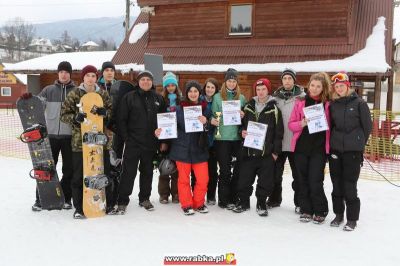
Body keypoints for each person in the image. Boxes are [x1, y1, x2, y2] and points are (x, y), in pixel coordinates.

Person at [21, 61, 76, 211]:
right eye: (61, 72)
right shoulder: (48, 90)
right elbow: (37, 105)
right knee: (45, 168)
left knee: (69, 170)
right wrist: (28, 99)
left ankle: (66, 198)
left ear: (70, 74)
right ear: (58, 74)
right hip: (50, 136)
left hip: (69, 136)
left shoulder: (76, 91)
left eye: (66, 72)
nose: (64, 74)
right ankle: (41, 199)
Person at [60, 65, 112, 219]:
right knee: (79, 176)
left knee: (102, 173)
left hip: (100, 142)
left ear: (97, 78)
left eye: (93, 76)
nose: (90, 79)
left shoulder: (102, 93)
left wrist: (105, 113)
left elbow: (111, 112)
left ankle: (104, 203)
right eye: (87, 75)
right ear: (83, 78)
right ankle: (79, 207)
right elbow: (63, 114)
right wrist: (75, 118)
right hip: (79, 142)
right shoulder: (75, 93)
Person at [116, 70, 166, 214]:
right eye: (143, 79)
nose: (146, 82)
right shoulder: (129, 97)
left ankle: (144, 198)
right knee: (128, 173)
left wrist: (161, 136)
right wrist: (126, 138)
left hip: (150, 143)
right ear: (138, 82)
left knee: (147, 172)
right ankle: (123, 200)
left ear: (152, 82)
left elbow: (164, 120)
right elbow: (122, 120)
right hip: (133, 143)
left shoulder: (158, 98)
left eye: (148, 80)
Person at [157, 80, 210, 215]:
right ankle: (186, 204)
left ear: (199, 93)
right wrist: (160, 132)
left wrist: (206, 122)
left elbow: (211, 129)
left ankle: (198, 203)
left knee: (203, 179)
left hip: (199, 150)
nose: (193, 94)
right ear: (186, 93)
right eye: (190, 91)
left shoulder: (205, 109)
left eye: (196, 91)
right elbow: (170, 126)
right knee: (183, 180)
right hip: (182, 149)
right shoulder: (178, 109)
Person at [233, 78, 283, 216]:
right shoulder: (248, 106)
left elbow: (279, 132)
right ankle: (243, 202)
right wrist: (241, 132)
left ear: (268, 90)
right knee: (244, 178)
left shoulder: (274, 109)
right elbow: (241, 125)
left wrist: (275, 152)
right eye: (258, 89)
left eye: (263, 89)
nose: (260, 92)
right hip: (249, 151)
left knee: (265, 180)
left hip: (266, 153)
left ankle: (261, 202)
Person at [328, 72, 372, 231]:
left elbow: (367, 127)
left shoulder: (359, 103)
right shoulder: (333, 104)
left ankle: (352, 219)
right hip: (335, 150)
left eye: (341, 86)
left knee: (349, 184)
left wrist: (359, 143)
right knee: (336, 183)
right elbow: (331, 125)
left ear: (347, 86)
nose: (339, 89)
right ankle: (338, 214)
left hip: (352, 151)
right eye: (336, 86)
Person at [288, 72, 331, 224]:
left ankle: (320, 210)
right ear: (309, 85)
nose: (314, 89)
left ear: (323, 88)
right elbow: (291, 124)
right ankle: (306, 209)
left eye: (318, 86)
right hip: (301, 148)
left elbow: (332, 126)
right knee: (302, 180)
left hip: (318, 149)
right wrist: (302, 123)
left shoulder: (328, 104)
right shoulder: (300, 102)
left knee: (315, 180)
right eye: (312, 85)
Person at [269, 68, 305, 212]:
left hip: (296, 142)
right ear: (282, 81)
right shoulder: (275, 98)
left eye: (290, 78)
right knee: (275, 174)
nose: (287, 81)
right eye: (285, 78)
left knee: (298, 175)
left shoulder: (302, 97)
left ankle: (300, 202)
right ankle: (274, 199)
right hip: (279, 142)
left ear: (294, 80)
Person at [211, 68, 246, 210]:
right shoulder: (218, 97)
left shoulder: (241, 98)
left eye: (234, 81)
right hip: (222, 139)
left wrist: (243, 115)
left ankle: (234, 197)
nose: (231, 83)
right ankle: (223, 199)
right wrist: (215, 119)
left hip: (236, 139)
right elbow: (214, 115)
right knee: (225, 170)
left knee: (238, 170)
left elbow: (246, 118)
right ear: (225, 82)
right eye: (229, 81)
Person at [158, 72, 182, 204]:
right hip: (166, 137)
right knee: (165, 166)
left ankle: (176, 193)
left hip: (178, 137)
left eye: (173, 85)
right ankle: (164, 194)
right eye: (168, 85)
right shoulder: (161, 100)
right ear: (165, 87)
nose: (171, 87)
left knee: (177, 168)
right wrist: (162, 141)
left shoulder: (181, 100)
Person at [201, 78, 219, 205]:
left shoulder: (219, 101)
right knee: (198, 171)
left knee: (212, 171)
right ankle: (198, 194)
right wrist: (208, 121)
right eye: (208, 87)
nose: (210, 90)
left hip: (214, 141)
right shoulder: (199, 100)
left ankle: (211, 195)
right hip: (200, 141)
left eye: (212, 87)